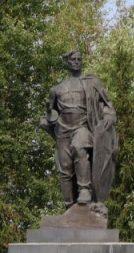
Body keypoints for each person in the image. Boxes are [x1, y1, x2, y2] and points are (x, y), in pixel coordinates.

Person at [40, 49, 117, 207]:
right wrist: (49, 112)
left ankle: (84, 188)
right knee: (65, 169)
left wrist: (109, 115)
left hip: (83, 127)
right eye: (73, 59)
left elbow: (105, 104)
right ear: (67, 62)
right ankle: (70, 206)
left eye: (79, 59)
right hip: (63, 130)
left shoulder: (90, 83)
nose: (76, 61)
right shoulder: (56, 89)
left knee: (79, 145)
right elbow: (52, 113)